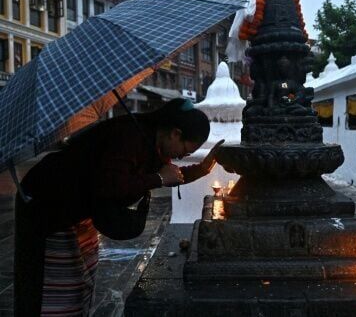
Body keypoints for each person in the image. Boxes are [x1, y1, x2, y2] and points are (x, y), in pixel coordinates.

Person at [14, 98, 223, 316]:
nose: (180, 157)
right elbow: (110, 184)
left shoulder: (152, 141)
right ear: (175, 133)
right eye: (184, 151)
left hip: (82, 209)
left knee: (81, 280)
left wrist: (201, 169)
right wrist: (158, 179)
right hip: (50, 204)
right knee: (56, 286)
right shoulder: (129, 137)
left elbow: (169, 175)